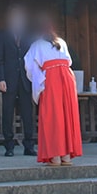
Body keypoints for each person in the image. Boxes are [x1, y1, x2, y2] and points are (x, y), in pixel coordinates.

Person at [25, 16, 82, 166]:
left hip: (51, 78)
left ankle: (55, 155)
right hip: (67, 77)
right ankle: (66, 155)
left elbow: (30, 66)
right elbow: (68, 61)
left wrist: (39, 81)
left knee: (52, 116)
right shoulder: (61, 42)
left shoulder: (37, 44)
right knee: (66, 115)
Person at [0, 4, 36, 157]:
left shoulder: (29, 35)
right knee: (7, 111)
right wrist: (1, 78)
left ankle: (29, 145)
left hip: (25, 78)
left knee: (27, 112)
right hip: (9, 77)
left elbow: (33, 58)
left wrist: (33, 77)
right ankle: (9, 145)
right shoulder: (3, 34)